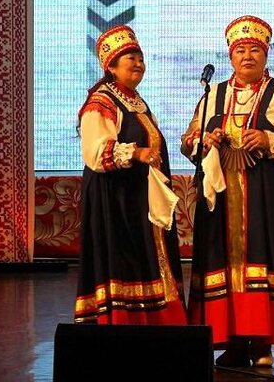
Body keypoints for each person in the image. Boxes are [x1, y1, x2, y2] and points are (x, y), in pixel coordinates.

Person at [181, 15, 274, 368]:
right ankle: (235, 342)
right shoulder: (213, 95)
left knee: (264, 261)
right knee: (224, 265)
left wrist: (269, 139)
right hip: (221, 198)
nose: (247, 56)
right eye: (240, 50)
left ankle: (262, 342)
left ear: (266, 55)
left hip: (267, 196)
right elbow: (189, 139)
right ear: (230, 56)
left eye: (255, 50)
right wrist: (205, 140)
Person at [74, 26, 187, 325]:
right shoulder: (101, 102)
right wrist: (136, 153)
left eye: (140, 58)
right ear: (111, 66)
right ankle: (123, 325)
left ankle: (154, 324)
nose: (138, 64)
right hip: (116, 199)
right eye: (130, 59)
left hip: (138, 198)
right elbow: (95, 152)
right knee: (124, 260)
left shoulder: (136, 101)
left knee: (147, 259)